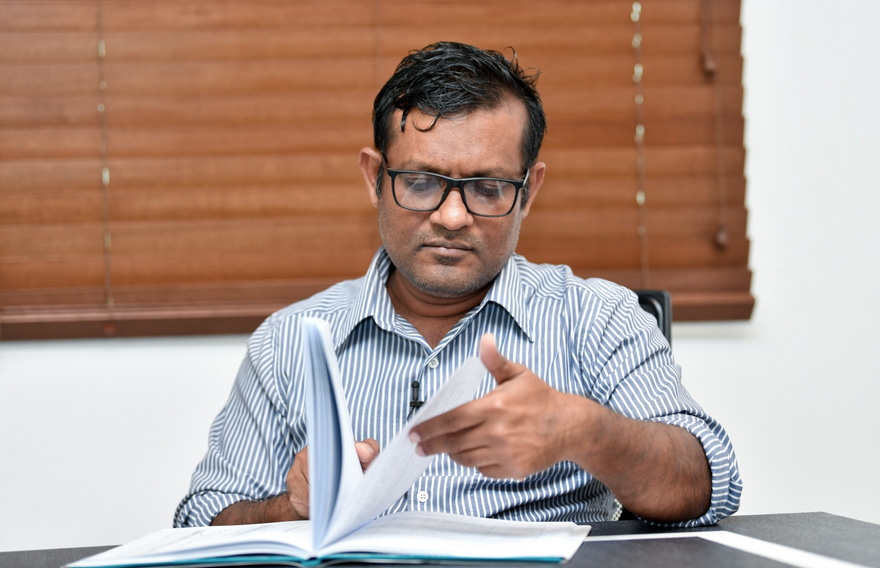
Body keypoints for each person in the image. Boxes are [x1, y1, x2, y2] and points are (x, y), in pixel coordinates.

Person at [174, 41, 742, 528]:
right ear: (374, 178)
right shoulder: (288, 339)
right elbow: (200, 519)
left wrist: (585, 431)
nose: (451, 218)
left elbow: (709, 485)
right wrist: (293, 507)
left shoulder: (596, 318)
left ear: (529, 191)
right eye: (421, 182)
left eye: (488, 188)